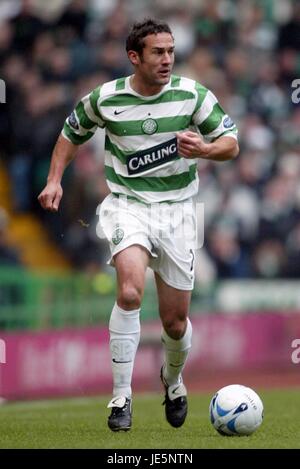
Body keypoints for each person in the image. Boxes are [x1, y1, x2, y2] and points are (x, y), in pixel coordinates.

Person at [38, 18, 239, 432]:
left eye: (170, 51)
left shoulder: (192, 94)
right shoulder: (105, 98)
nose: (167, 59)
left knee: (175, 323)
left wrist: (204, 148)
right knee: (129, 291)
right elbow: (70, 135)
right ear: (135, 57)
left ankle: (173, 380)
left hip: (180, 211)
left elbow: (231, 144)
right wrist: (54, 179)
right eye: (157, 52)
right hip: (127, 205)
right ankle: (121, 398)